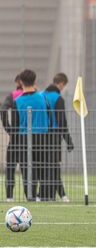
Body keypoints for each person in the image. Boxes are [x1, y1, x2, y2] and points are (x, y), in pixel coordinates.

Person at [9, 69, 51, 201]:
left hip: (23, 139)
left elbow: (15, 125)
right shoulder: (43, 98)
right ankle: (43, 196)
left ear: (21, 82)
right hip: (43, 137)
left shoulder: (17, 101)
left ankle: (30, 196)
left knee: (27, 170)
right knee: (43, 168)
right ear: (35, 80)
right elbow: (49, 117)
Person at [42, 73, 74, 202]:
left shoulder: (40, 95)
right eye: (64, 86)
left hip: (38, 136)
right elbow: (62, 122)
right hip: (53, 137)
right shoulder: (58, 98)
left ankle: (52, 195)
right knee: (54, 166)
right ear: (61, 83)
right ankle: (59, 195)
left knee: (43, 166)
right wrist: (68, 140)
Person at [1, 74, 24, 202]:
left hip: (15, 138)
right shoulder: (36, 95)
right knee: (29, 167)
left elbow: (3, 109)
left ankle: (9, 197)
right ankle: (31, 196)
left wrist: (9, 129)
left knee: (10, 167)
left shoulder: (13, 95)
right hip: (30, 137)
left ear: (17, 82)